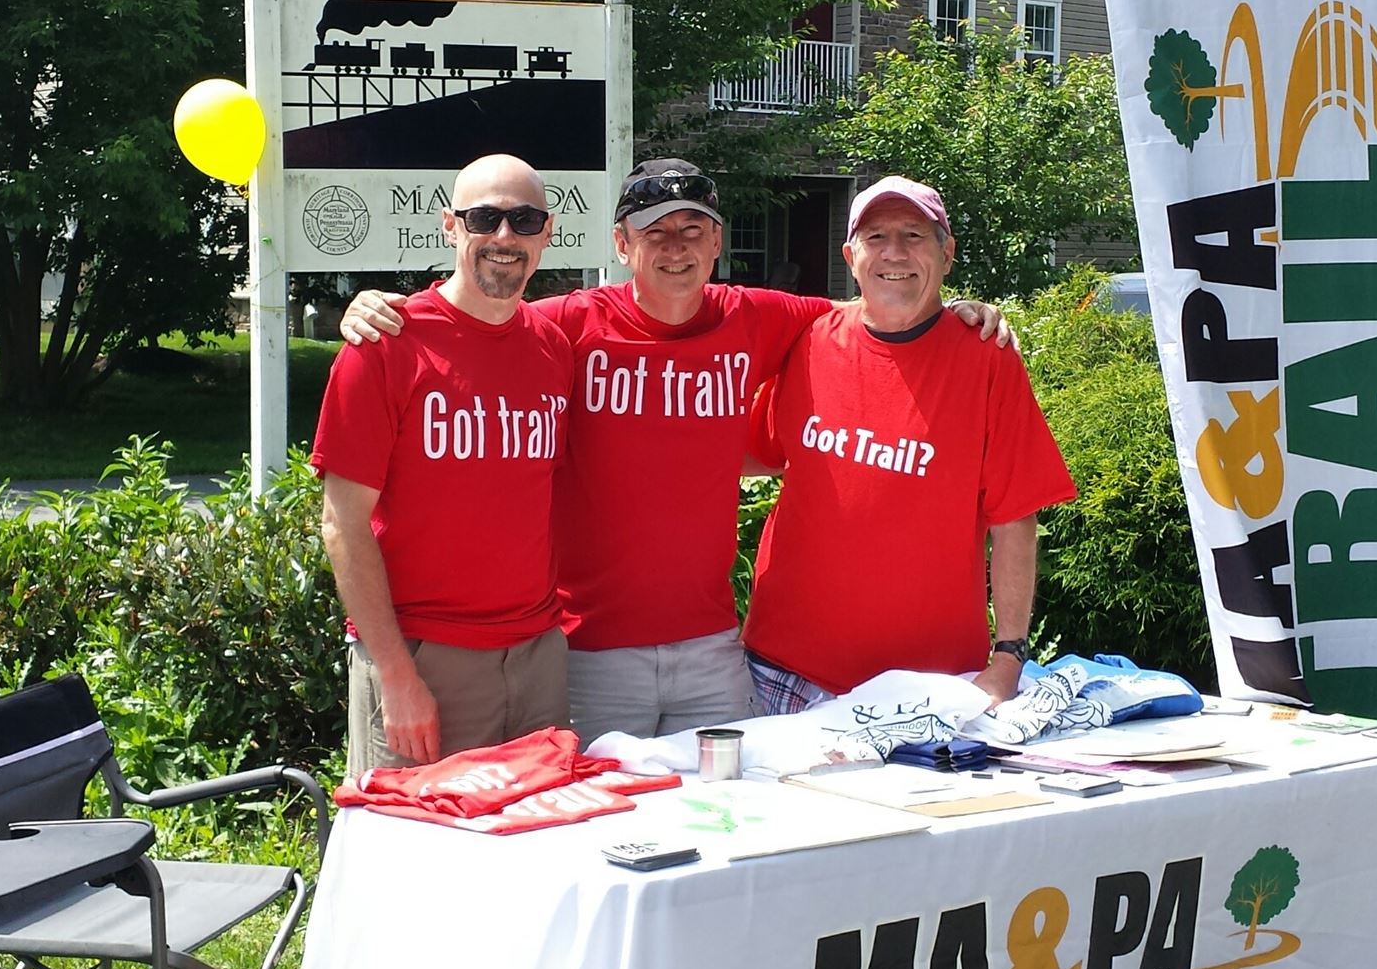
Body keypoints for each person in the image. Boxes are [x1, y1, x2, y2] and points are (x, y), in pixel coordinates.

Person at [341, 159, 1014, 742]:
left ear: (718, 240)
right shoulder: (562, 329)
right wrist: (383, 310)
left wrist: (956, 313)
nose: (675, 246)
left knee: (730, 831)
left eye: (692, 229)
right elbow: (474, 325)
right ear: (621, 244)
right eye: (654, 230)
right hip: (588, 651)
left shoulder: (760, 319)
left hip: (714, 651)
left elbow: (878, 309)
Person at [742, 174, 1077, 714]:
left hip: (932, 688)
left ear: (947, 254)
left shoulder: (985, 356)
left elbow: (1014, 516)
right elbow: (747, 455)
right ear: (851, 256)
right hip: (784, 673)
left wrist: (1008, 657)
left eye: (914, 235)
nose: (893, 252)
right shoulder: (808, 340)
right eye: (875, 237)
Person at [310, 154, 574, 775]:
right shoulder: (385, 346)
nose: (504, 238)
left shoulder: (553, 347)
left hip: (537, 658)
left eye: (524, 220)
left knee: (534, 852)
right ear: (450, 227)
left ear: (547, 231)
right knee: (408, 859)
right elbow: (341, 524)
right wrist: (396, 676)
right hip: (425, 659)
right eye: (485, 218)